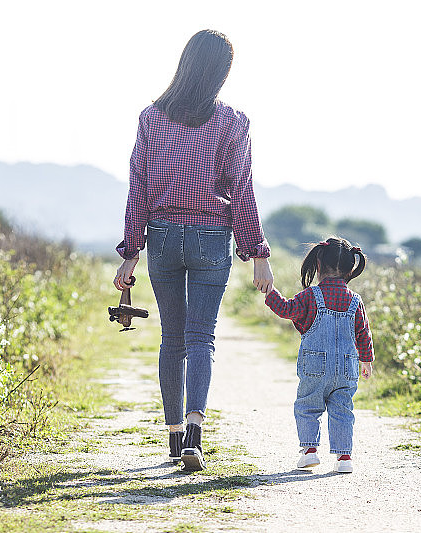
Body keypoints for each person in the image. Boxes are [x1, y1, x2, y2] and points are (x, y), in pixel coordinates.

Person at [113, 29, 273, 472]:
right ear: (221, 73)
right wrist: (257, 251)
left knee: (173, 338)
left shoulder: (150, 118)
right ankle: (195, 432)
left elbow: (138, 186)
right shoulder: (232, 122)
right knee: (202, 337)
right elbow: (241, 190)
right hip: (210, 238)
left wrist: (131, 251)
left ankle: (171, 436)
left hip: (162, 236)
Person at [263, 237, 374, 473]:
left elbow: (285, 309)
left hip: (315, 366)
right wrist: (366, 360)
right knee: (343, 410)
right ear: (350, 269)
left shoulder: (310, 296)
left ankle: (310, 452)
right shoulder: (355, 300)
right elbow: (363, 332)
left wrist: (270, 291)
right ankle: (344, 458)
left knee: (307, 406)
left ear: (319, 264)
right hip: (347, 367)